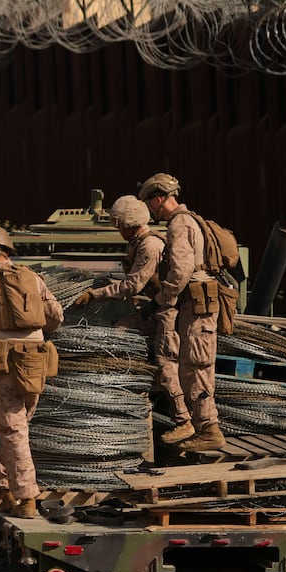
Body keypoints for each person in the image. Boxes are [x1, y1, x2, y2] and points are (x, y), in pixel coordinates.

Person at [0, 225, 63, 519]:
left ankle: (27, 497)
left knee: (12, 431)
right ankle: (5, 490)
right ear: (7, 252)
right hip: (36, 362)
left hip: (4, 366)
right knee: (16, 429)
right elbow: (57, 315)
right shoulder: (33, 278)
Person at [72, 194, 190, 434]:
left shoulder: (150, 246)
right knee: (120, 330)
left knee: (166, 366)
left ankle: (183, 421)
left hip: (167, 312)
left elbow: (132, 286)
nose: (118, 230)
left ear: (129, 224)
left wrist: (95, 294)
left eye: (119, 225)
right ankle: (128, 384)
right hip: (153, 308)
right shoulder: (138, 242)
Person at [140, 173, 223, 452]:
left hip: (195, 306)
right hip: (195, 305)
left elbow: (181, 271)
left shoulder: (179, 224)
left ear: (159, 198)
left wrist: (162, 299)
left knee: (195, 368)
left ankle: (209, 430)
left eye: (150, 202)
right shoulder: (188, 220)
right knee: (193, 368)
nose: (150, 209)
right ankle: (205, 428)